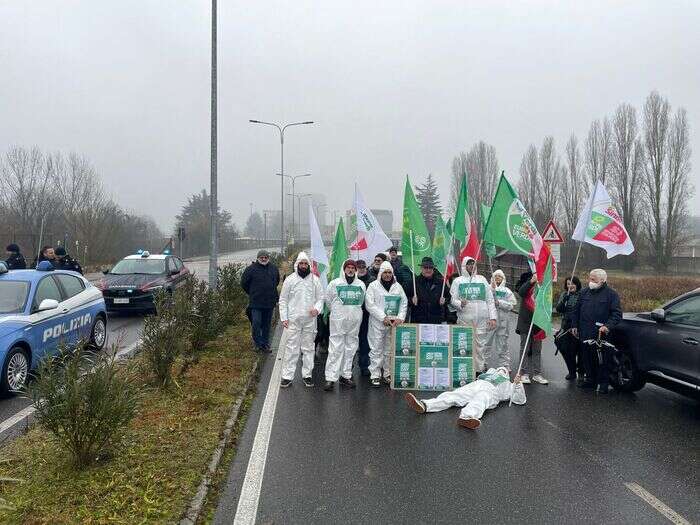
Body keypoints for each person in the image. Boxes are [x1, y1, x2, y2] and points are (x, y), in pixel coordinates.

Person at [404, 367, 526, 430]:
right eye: (500, 369)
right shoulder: (486, 374)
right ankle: (425, 405)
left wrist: (518, 384)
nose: (501, 370)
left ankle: (467, 417)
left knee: (480, 400)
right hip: (476, 385)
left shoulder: (508, 384)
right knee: (454, 395)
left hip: (491, 391)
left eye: (504, 370)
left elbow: (520, 400)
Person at [573, 269, 622, 394]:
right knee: (587, 358)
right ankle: (590, 380)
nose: (590, 281)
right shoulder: (584, 292)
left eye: (593, 279)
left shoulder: (611, 295)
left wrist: (607, 326)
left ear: (602, 280)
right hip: (585, 332)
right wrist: (574, 325)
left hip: (601, 334)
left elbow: (617, 314)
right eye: (590, 278)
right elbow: (576, 311)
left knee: (603, 360)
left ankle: (603, 383)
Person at [278, 252, 323, 388]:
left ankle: (307, 375)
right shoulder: (290, 280)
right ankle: (287, 376)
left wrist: (317, 309)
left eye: (306, 263)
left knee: (308, 348)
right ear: (297, 264)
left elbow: (321, 298)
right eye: (301, 263)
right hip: (293, 320)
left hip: (310, 320)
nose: (303, 266)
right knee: (291, 348)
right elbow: (283, 300)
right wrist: (284, 317)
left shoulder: (315, 280)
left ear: (308, 265)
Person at [324, 259, 367, 391]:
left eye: (352, 268)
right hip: (338, 322)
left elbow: (361, 301)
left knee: (350, 349)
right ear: (344, 269)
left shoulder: (361, 284)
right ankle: (330, 378)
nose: (350, 270)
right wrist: (338, 313)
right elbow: (328, 300)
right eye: (348, 267)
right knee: (335, 349)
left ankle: (346, 375)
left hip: (354, 323)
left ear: (355, 270)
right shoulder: (334, 283)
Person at [449, 257, 496, 375]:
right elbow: (452, 300)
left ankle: (479, 370)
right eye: (469, 264)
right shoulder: (458, 281)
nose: (471, 266)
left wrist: (493, 317)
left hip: (481, 320)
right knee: (464, 344)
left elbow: (490, 300)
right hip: (465, 319)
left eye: (473, 264)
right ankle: (464, 369)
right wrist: (460, 304)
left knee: (480, 345)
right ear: (464, 266)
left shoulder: (482, 280)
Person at [365, 261, 408, 387]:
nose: (388, 275)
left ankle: (387, 373)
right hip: (377, 324)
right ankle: (375, 375)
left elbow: (403, 303)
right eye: (385, 272)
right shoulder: (373, 286)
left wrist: (400, 318)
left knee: (389, 350)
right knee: (376, 349)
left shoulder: (398, 287)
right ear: (380, 273)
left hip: (393, 324)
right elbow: (369, 304)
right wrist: (382, 317)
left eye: (390, 272)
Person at [241, 250, 280, 352]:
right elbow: (244, 283)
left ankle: (265, 344)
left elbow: (276, 281)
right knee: (256, 323)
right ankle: (257, 343)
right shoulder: (250, 269)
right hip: (256, 303)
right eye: (261, 257)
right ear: (258, 258)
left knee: (267, 325)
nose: (263, 259)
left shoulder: (273, 268)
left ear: (268, 258)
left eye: (265, 257)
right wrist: (253, 293)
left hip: (269, 302)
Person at [515, 270, 549, 385]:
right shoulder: (526, 279)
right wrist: (531, 281)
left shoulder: (545, 281)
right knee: (524, 348)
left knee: (537, 350)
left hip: (539, 321)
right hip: (526, 321)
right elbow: (521, 292)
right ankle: (523, 373)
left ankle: (537, 374)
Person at [555, 276, 583, 382]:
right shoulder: (564, 294)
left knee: (580, 351)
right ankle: (572, 371)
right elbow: (558, 309)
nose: (570, 286)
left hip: (578, 326)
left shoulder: (582, 294)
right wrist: (563, 302)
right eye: (568, 284)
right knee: (565, 349)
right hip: (565, 325)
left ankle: (581, 372)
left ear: (577, 284)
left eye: (572, 283)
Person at [405, 257, 448, 324]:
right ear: (421, 268)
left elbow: (449, 297)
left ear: (433, 269)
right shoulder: (413, 282)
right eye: (425, 267)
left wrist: (445, 300)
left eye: (430, 268)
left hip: (435, 321)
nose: (428, 270)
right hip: (418, 320)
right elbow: (405, 298)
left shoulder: (440, 282)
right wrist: (411, 300)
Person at [488, 269, 517, 369]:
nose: (497, 278)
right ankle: (483, 364)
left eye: (499, 276)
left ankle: (504, 365)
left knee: (503, 344)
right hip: (490, 321)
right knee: (486, 343)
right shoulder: (488, 289)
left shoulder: (507, 291)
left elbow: (512, 305)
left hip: (503, 322)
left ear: (503, 278)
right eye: (495, 276)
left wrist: (500, 303)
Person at [355, 259, 375, 376]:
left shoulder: (372, 281)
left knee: (364, 342)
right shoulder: (352, 281)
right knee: (352, 341)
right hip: (353, 315)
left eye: (363, 267)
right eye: (359, 267)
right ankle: (348, 368)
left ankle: (364, 366)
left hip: (367, 315)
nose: (361, 268)